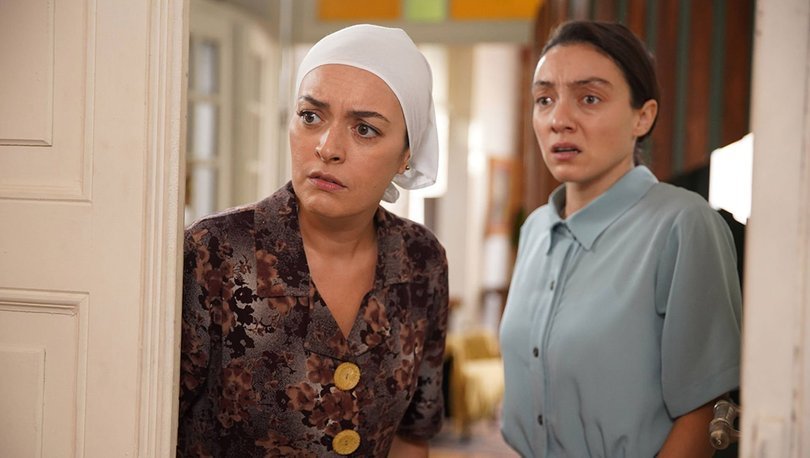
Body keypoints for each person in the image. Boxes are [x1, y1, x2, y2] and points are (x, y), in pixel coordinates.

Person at [177, 24, 448, 457]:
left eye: (365, 129)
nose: (327, 147)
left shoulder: (421, 260)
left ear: (405, 156)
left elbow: (411, 436)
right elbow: (146, 425)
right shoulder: (215, 252)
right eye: (310, 116)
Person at [499, 20, 742, 457]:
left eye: (589, 98)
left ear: (642, 116)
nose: (559, 120)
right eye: (544, 99)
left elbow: (701, 415)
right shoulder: (536, 228)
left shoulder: (683, 225)